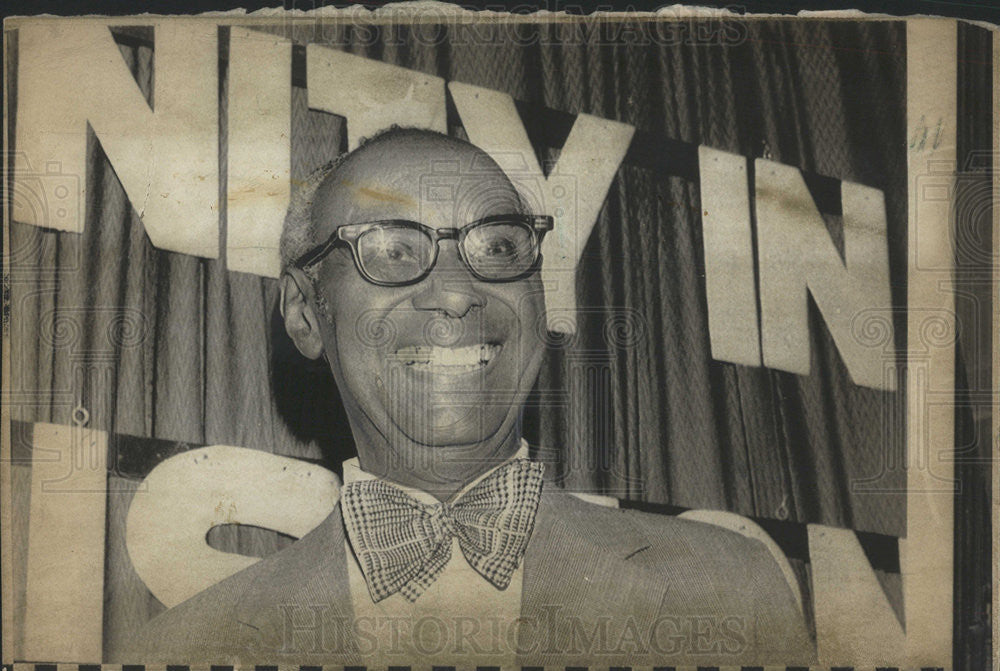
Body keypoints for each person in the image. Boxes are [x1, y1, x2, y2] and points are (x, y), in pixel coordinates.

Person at [127, 128, 814, 666]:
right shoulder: (188, 647)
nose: (457, 291)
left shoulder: (733, 587)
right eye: (392, 249)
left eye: (498, 244)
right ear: (307, 313)